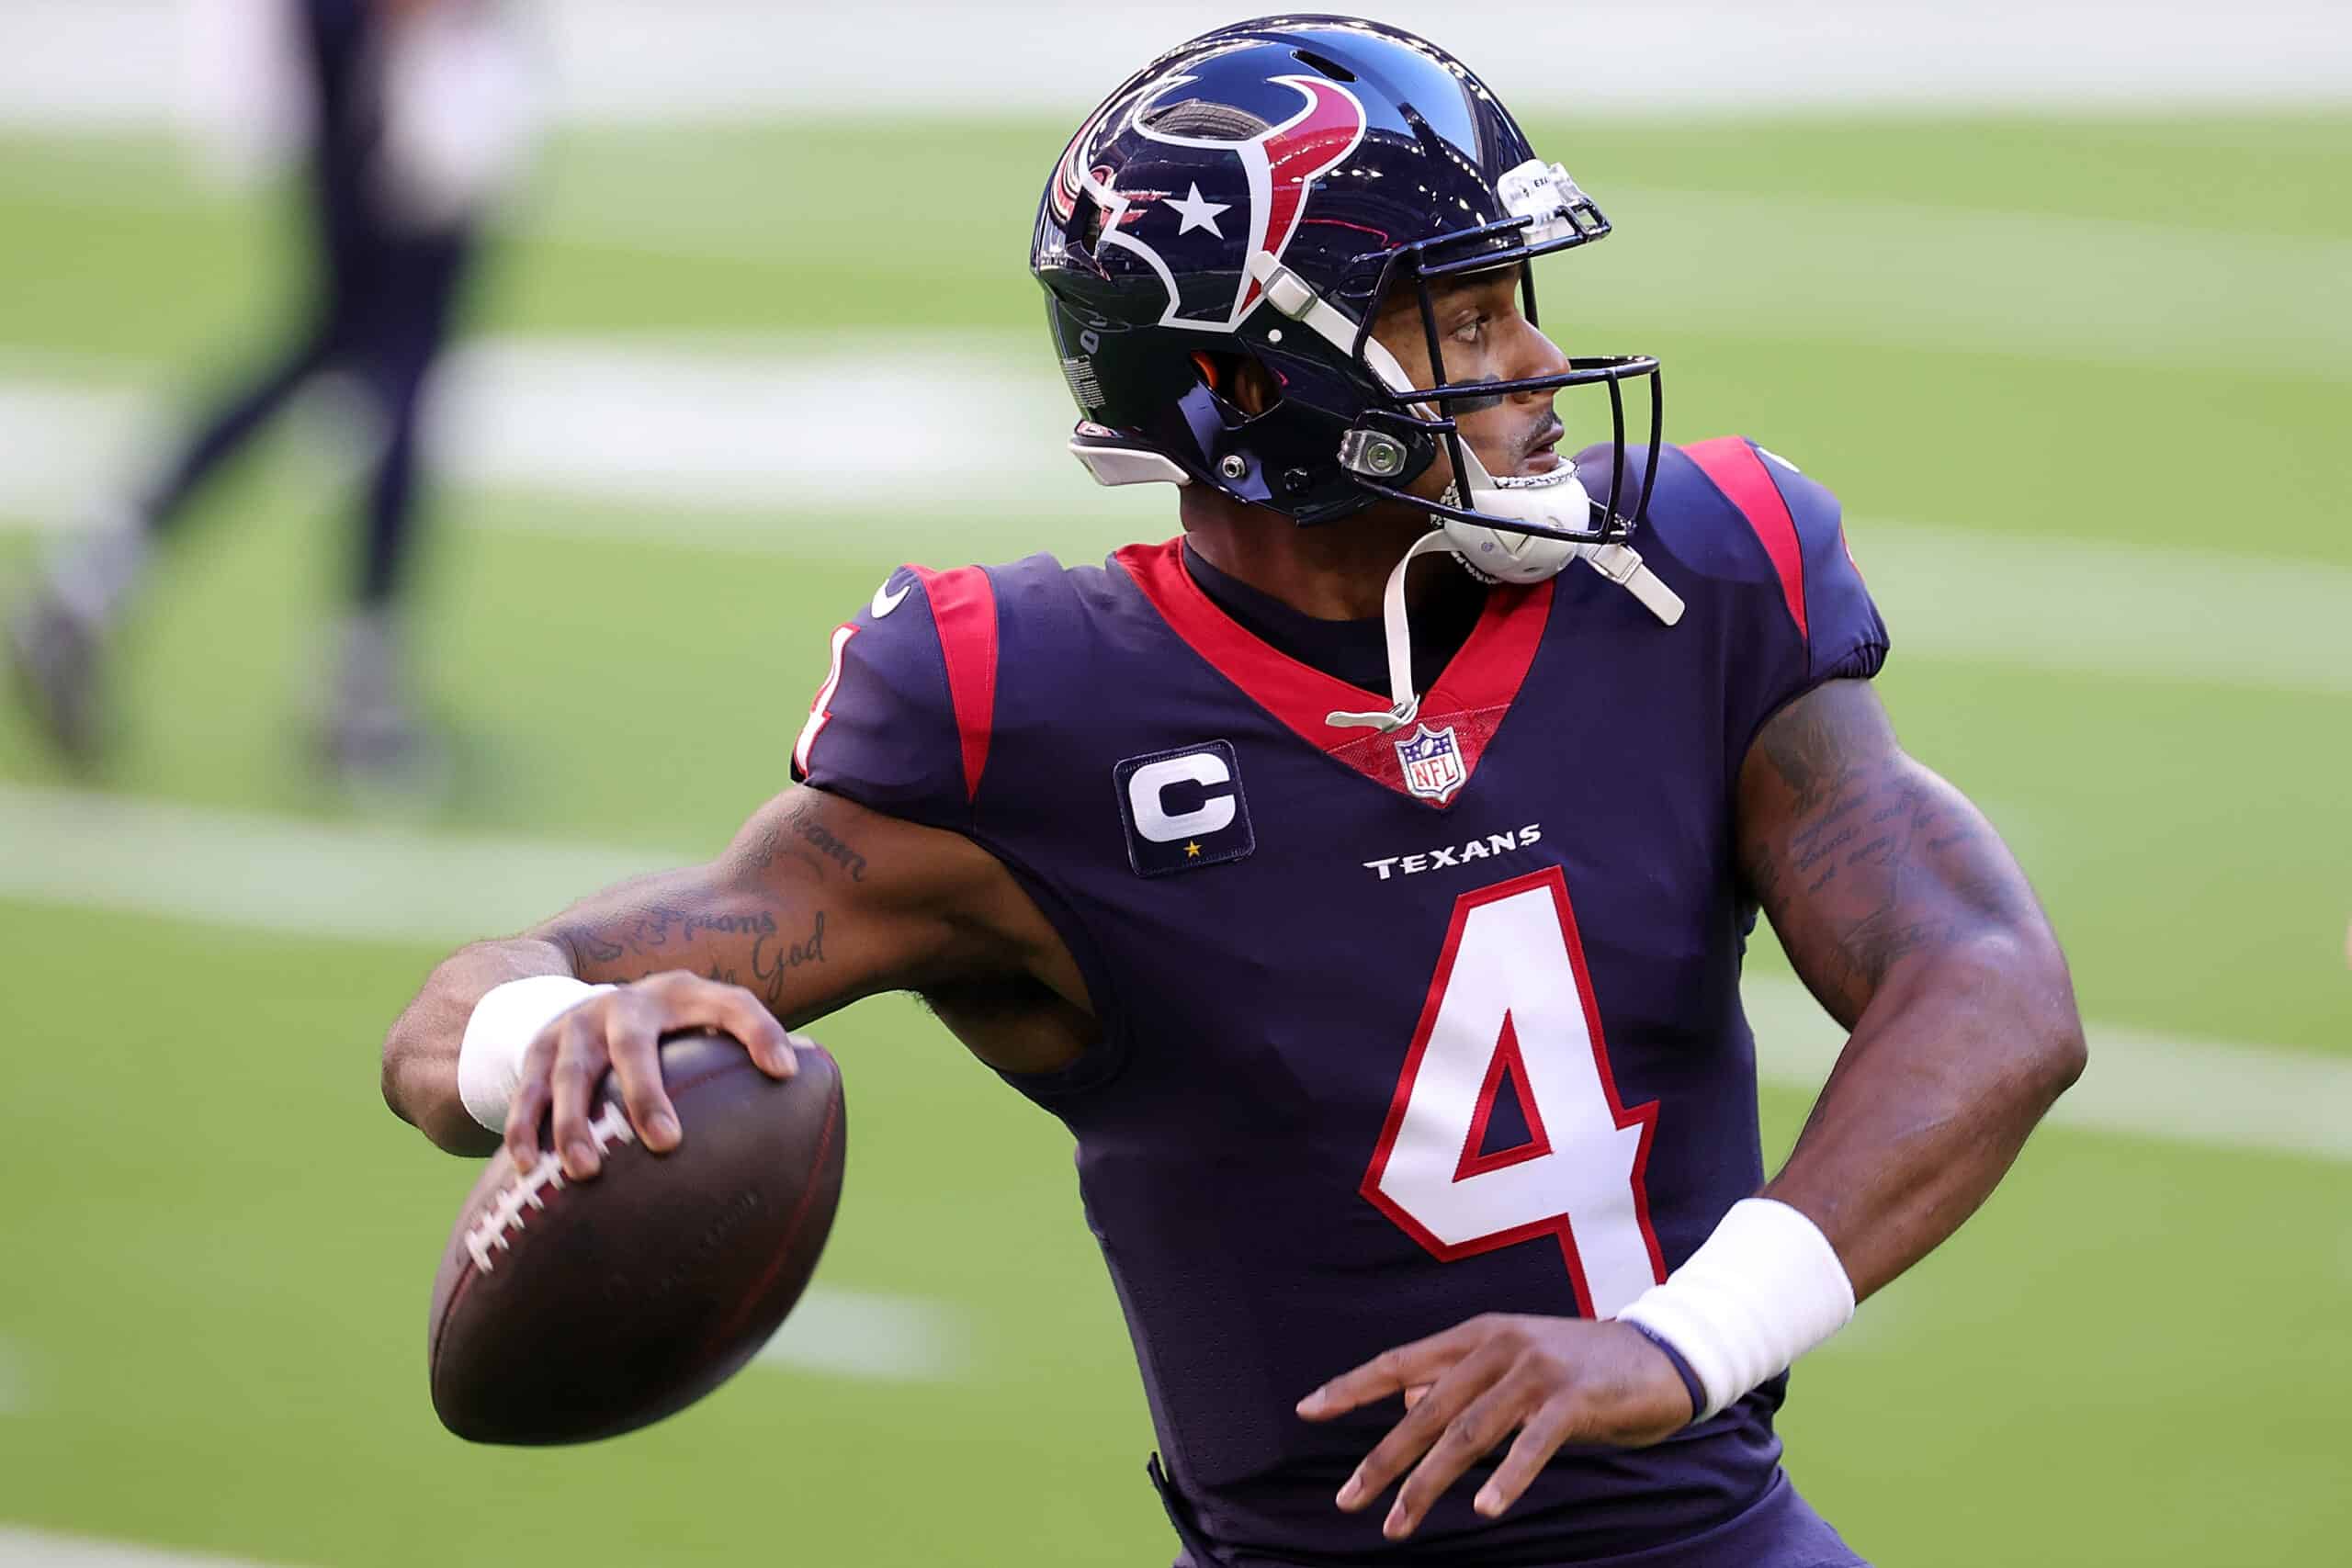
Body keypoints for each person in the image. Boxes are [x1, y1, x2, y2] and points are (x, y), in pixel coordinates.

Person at [380, 17, 2085, 1565]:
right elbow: (448, 1021)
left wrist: (1679, 1340)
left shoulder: (1691, 582)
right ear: (1266, 382)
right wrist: (555, 1039)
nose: (1543, 366)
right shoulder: (1024, 713)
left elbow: (1990, 984)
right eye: (1472, 315)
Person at [9, 0, 531, 786]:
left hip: (364, 34)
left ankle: (95, 579)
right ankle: (361, 688)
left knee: (336, 340)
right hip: (401, 37)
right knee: (403, 354)